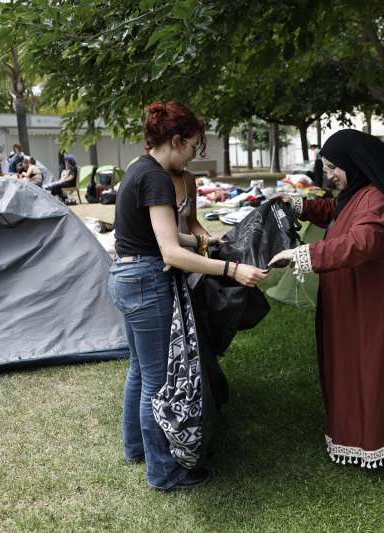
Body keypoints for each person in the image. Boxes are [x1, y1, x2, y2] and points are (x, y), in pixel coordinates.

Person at [109, 100, 267, 491]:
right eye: (194, 145)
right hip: (145, 282)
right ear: (176, 140)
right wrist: (233, 269)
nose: (196, 153)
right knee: (158, 382)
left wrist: (203, 240)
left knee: (139, 371)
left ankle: (136, 448)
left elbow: (165, 235)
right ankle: (165, 472)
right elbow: (169, 252)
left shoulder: (139, 170)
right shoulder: (158, 178)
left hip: (125, 276)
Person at [268, 129, 384, 468]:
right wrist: (298, 205)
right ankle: (354, 432)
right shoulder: (361, 192)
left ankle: (376, 443)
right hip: (358, 304)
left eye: (333, 167)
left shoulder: (379, 200)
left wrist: (303, 255)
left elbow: (361, 242)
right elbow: (336, 210)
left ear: (355, 163)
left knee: (372, 372)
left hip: (376, 309)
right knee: (354, 370)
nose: (329, 175)